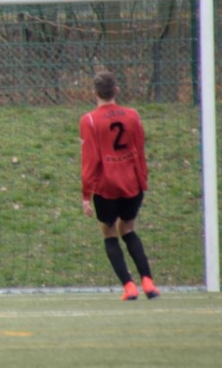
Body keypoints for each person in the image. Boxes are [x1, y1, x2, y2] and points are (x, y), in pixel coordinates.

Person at [80, 71, 160, 301]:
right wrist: (142, 180)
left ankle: (129, 286)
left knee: (109, 232)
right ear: (116, 90)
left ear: (95, 93)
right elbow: (139, 150)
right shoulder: (133, 115)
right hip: (132, 183)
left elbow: (91, 160)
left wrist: (86, 195)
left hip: (106, 186)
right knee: (128, 229)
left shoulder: (90, 120)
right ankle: (148, 282)